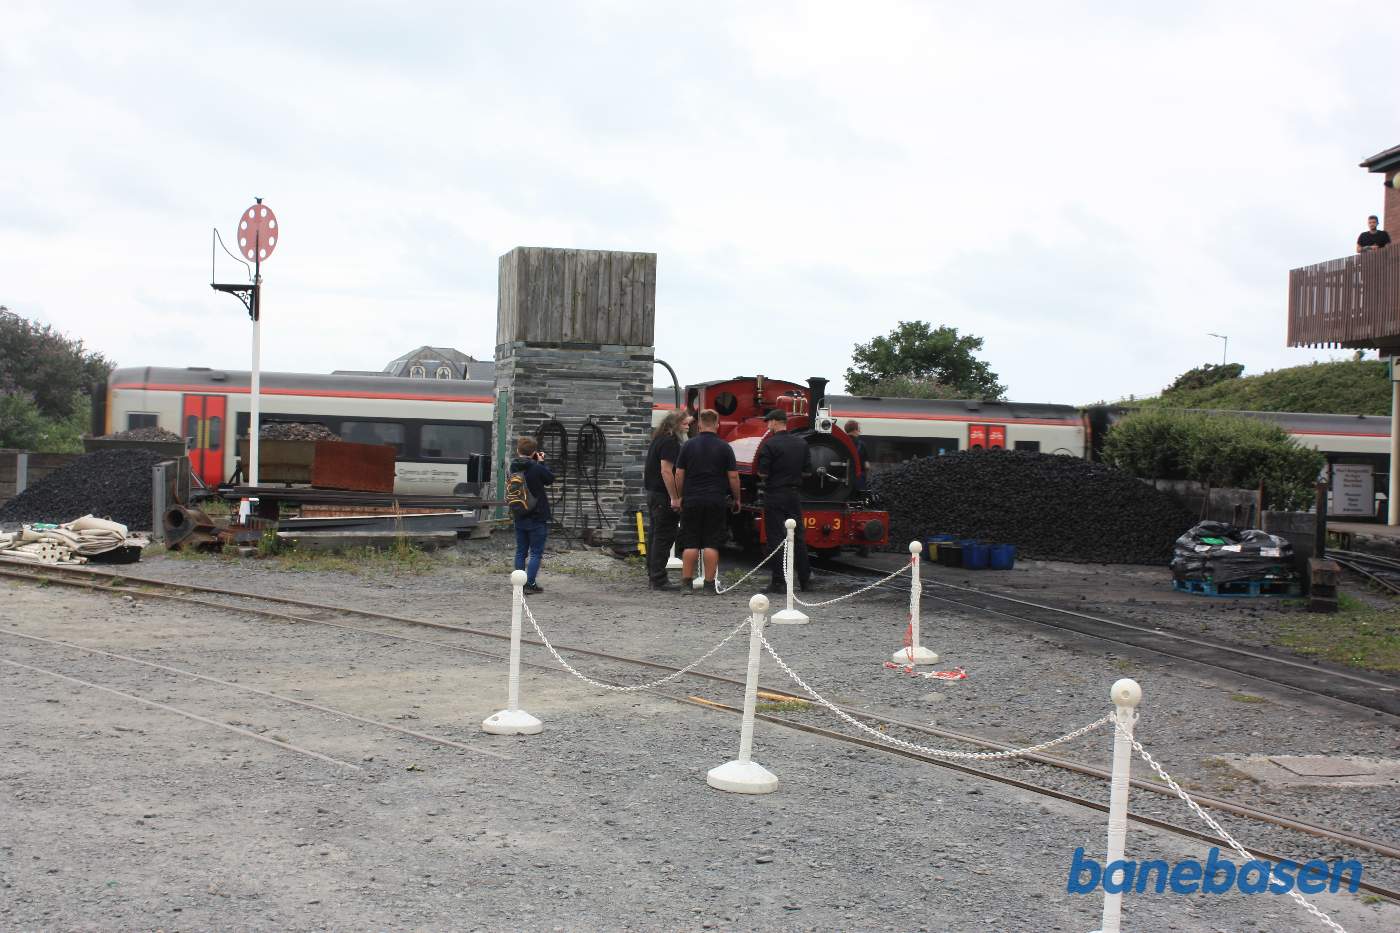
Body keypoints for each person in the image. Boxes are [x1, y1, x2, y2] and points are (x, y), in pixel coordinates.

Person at [674, 408, 740, 594]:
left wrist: (679, 496)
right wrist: (737, 498)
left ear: (700, 424)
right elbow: (733, 477)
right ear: (717, 425)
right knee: (711, 543)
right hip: (715, 500)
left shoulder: (688, 446)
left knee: (690, 542)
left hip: (692, 499)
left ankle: (686, 583)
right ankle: (709, 585)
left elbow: (679, 474)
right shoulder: (725, 447)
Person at [757, 409, 812, 593]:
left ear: (774, 422)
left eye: (768, 422)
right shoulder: (802, 443)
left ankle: (779, 581)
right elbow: (807, 471)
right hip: (794, 494)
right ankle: (805, 580)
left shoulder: (770, 444)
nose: (768, 426)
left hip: (775, 494)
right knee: (798, 537)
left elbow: (762, 473)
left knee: (775, 537)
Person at [643, 410, 691, 589]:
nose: (688, 426)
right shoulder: (671, 442)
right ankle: (659, 578)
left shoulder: (658, 439)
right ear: (675, 424)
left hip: (653, 493)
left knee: (655, 536)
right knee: (663, 537)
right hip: (663, 495)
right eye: (685, 423)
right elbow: (666, 470)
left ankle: (653, 574)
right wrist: (675, 497)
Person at [509, 436, 554, 595]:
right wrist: (541, 461)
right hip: (537, 515)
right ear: (534, 452)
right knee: (535, 552)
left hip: (519, 513)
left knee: (521, 551)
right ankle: (530, 584)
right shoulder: (537, 468)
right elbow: (550, 479)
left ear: (517, 450)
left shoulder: (513, 467)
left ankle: (518, 584)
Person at [844, 419, 871, 493]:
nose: (859, 431)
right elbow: (867, 466)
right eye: (859, 429)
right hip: (858, 479)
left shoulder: (841, 442)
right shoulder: (861, 445)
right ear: (855, 430)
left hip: (842, 480)